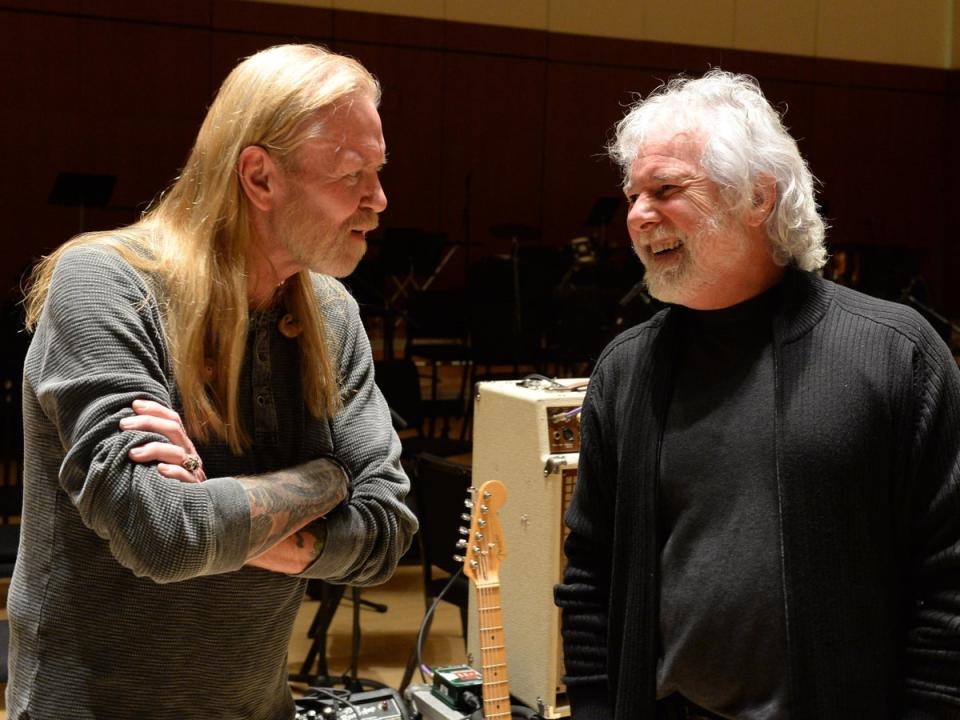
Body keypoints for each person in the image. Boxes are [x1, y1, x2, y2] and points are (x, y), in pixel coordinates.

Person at [12, 44, 418, 719]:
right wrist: (329, 478)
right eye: (353, 174)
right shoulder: (106, 287)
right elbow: (162, 535)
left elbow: (387, 530)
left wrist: (217, 510)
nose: (379, 201)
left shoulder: (331, 313)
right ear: (260, 177)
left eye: (378, 172)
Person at [555, 69, 960, 719]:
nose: (636, 215)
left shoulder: (896, 354)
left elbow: (949, 581)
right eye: (633, 194)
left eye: (665, 190)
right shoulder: (626, 369)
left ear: (757, 198)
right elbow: (589, 578)